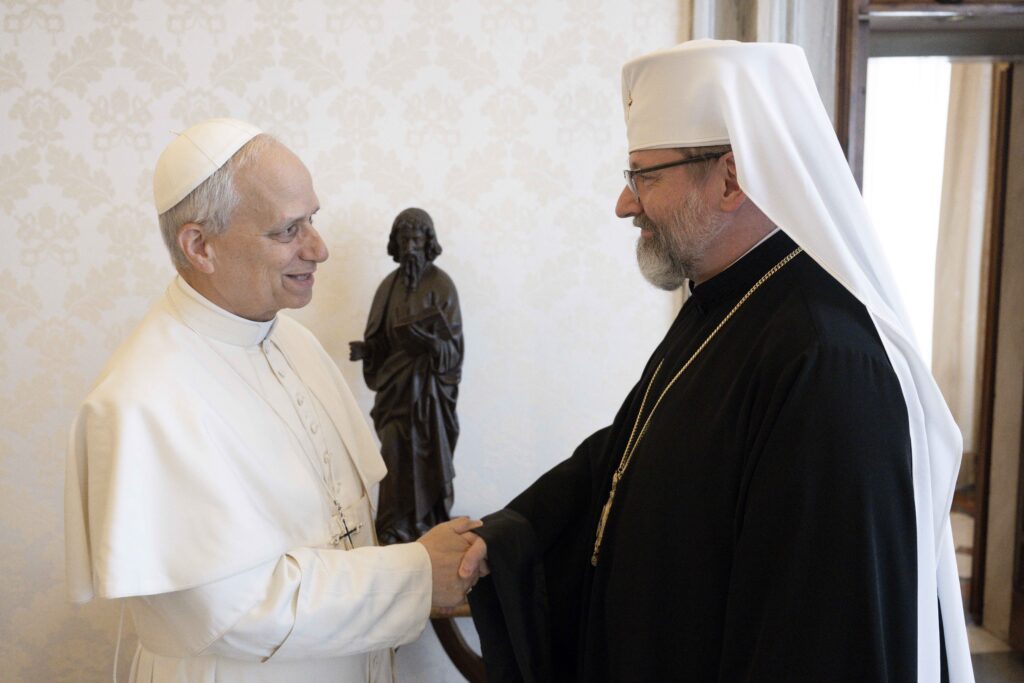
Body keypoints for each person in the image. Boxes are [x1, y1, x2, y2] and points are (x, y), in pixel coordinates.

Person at [458, 40, 973, 682]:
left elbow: (820, 636)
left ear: (731, 177)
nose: (626, 204)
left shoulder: (827, 358)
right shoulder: (722, 302)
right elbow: (632, 453)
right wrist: (514, 533)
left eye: (644, 176)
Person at [64, 118, 477, 682]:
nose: (319, 248)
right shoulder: (142, 401)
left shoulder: (290, 339)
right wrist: (419, 572)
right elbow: (239, 609)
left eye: (313, 219)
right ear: (200, 245)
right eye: (288, 230)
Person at [349, 208, 464, 545]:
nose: (411, 246)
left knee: (427, 457)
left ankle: (430, 523)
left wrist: (431, 344)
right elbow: (380, 340)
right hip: (395, 394)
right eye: (404, 240)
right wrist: (367, 351)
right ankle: (395, 525)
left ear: (428, 242)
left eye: (416, 239)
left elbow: (454, 351)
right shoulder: (388, 287)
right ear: (396, 244)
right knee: (396, 457)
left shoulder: (442, 285)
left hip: (430, 399)